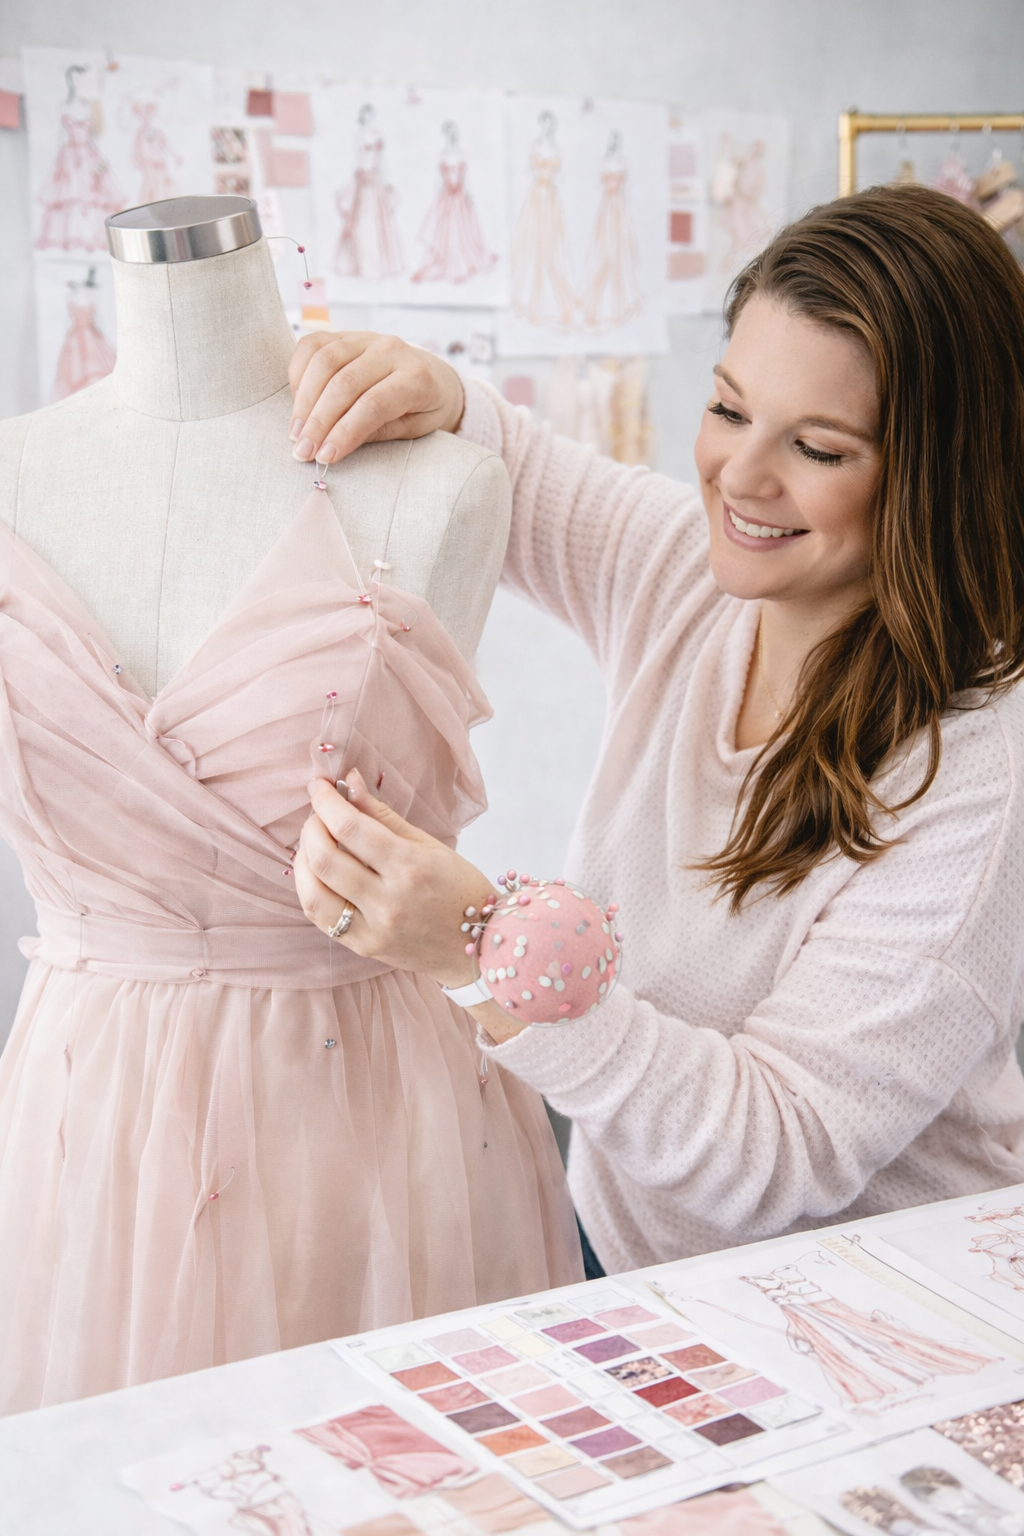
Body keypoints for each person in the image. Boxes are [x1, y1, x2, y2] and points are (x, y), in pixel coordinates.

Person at [287, 186, 1024, 1277]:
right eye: (729, 410)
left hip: (882, 1312)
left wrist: (485, 951)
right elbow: (522, 469)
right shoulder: (690, 571)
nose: (740, 477)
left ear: (934, 476)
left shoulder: (976, 770)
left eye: (817, 449)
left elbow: (781, 1150)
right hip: (634, 1265)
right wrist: (439, 393)